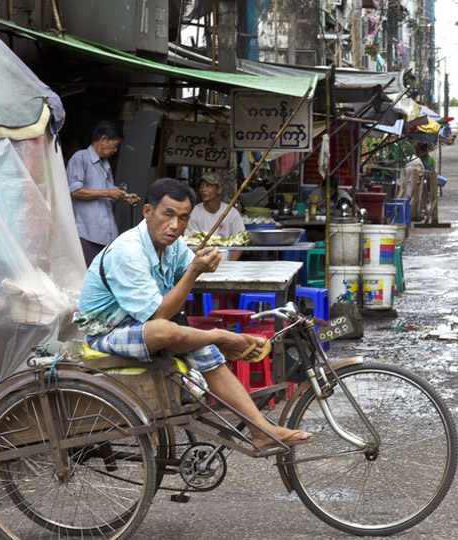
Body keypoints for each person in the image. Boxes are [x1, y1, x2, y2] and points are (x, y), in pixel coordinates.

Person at [75, 178, 312, 451]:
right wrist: (195, 274)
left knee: (204, 350)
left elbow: (190, 274)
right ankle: (221, 336)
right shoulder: (128, 251)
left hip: (143, 325)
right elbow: (158, 314)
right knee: (168, 330)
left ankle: (261, 430)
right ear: (148, 212)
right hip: (108, 332)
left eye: (183, 217)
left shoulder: (172, 245)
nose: (175, 226)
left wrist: (204, 263)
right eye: (168, 214)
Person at [68, 121, 141, 266]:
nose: (115, 150)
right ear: (103, 139)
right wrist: (107, 192)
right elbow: (74, 191)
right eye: (114, 145)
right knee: (87, 275)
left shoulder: (105, 164)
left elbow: (107, 190)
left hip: (106, 234)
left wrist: (124, 197)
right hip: (87, 233)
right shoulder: (80, 158)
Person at [187, 172, 245, 261]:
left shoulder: (231, 212)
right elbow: (190, 242)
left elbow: (240, 243)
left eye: (209, 186)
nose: (203, 189)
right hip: (202, 263)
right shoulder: (196, 212)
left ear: (219, 189)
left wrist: (229, 265)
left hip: (226, 263)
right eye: (202, 186)